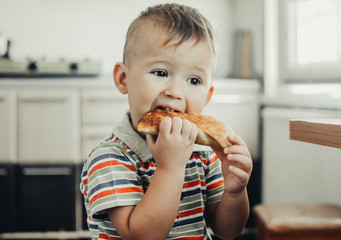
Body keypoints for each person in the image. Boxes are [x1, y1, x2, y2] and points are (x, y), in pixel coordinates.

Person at [80, 3, 253, 240]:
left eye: (193, 80)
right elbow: (140, 235)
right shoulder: (110, 158)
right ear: (123, 79)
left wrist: (235, 192)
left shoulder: (204, 154)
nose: (175, 92)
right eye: (161, 73)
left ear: (207, 96)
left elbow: (228, 231)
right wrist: (170, 167)